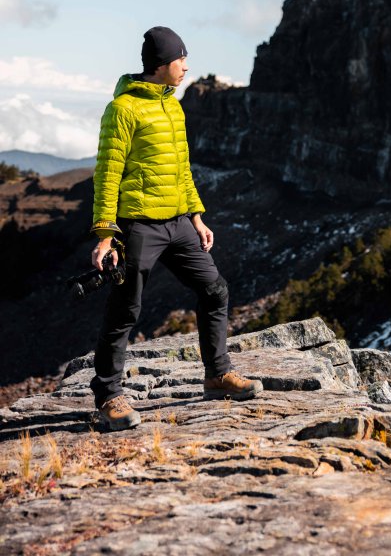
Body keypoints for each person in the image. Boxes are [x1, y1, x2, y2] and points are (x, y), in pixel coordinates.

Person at [89, 25, 263, 431]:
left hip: (179, 222)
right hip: (137, 227)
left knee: (214, 288)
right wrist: (104, 234)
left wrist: (197, 217)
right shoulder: (124, 109)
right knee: (124, 311)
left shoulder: (174, 106)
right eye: (181, 59)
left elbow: (182, 169)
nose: (186, 67)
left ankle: (217, 375)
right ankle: (108, 396)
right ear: (161, 65)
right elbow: (107, 173)